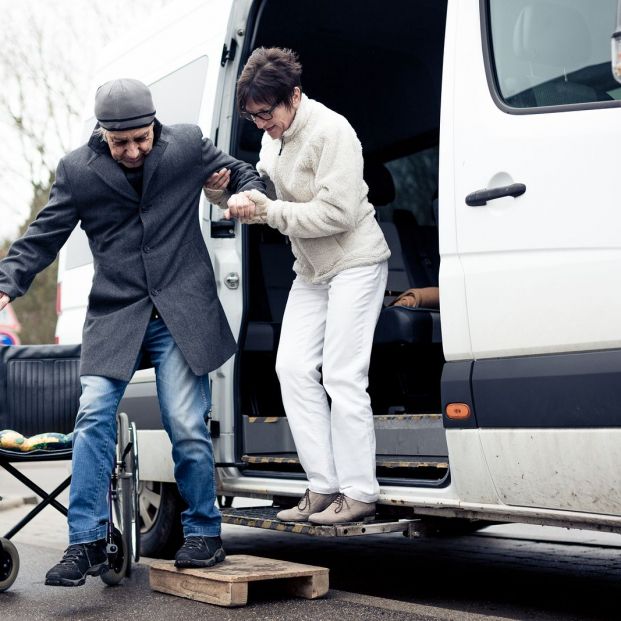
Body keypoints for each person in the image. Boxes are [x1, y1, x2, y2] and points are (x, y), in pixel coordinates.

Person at [0, 78, 264, 586]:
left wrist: (249, 191)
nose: (133, 150)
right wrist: (7, 284)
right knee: (93, 415)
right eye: (121, 142)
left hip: (179, 312)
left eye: (141, 139)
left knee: (185, 422)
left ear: (154, 126)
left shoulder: (185, 144)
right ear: (103, 134)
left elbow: (239, 171)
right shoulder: (78, 170)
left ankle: (205, 533)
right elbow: (43, 236)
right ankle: (87, 542)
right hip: (116, 313)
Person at [207, 47, 391, 525]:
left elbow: (337, 214)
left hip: (356, 262)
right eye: (253, 117)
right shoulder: (275, 137)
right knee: (290, 368)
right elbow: (267, 189)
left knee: (343, 375)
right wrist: (226, 192)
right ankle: (323, 486)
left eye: (267, 114)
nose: (262, 125)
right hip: (310, 271)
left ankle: (359, 493)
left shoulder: (332, 132)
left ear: (294, 95)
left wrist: (267, 212)